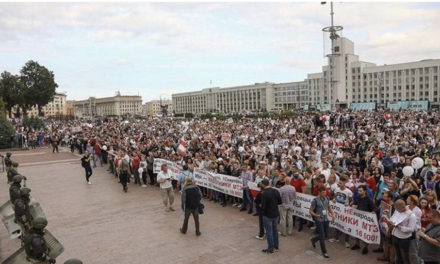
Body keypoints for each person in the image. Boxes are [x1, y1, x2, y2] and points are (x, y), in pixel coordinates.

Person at [384, 199, 417, 264]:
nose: (397, 210)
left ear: (403, 206)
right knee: (398, 256)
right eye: (396, 208)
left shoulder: (412, 215)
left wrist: (399, 227)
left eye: (398, 209)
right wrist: (388, 218)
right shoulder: (397, 211)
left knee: (405, 257)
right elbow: (392, 219)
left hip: (404, 239)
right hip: (395, 236)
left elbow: (411, 229)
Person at [310, 186, 335, 259]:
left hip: (325, 219)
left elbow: (329, 207)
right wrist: (316, 215)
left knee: (326, 235)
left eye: (325, 192)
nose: (325, 193)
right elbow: (310, 210)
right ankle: (324, 252)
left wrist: (332, 214)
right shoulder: (315, 200)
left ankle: (313, 239)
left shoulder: (327, 198)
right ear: (319, 193)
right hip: (319, 221)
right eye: (323, 192)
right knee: (322, 237)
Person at [351, 185, 376, 254]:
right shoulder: (358, 197)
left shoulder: (368, 199)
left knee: (364, 233)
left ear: (365, 191)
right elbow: (355, 204)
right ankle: (357, 244)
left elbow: (374, 208)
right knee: (357, 232)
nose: (359, 192)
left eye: (360, 191)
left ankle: (365, 247)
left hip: (365, 220)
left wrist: (373, 211)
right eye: (358, 191)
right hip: (358, 218)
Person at [260, 178, 282, 254]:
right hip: (275, 214)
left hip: (267, 215)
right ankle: (276, 246)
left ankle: (270, 249)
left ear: (263, 184)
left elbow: (263, 206)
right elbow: (280, 202)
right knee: (275, 230)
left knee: (269, 232)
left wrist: (262, 212)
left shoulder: (264, 193)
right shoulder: (276, 191)